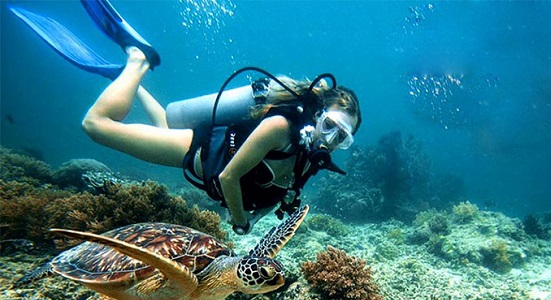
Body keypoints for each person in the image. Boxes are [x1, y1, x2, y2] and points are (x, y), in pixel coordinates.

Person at [10, 0, 361, 235]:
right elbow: (228, 176)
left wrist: (253, 215)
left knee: (164, 119)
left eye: (342, 138)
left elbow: (279, 193)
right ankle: (137, 61)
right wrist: (239, 222)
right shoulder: (280, 127)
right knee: (96, 126)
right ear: (318, 113)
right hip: (193, 151)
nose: (330, 140)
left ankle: (122, 79)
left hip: (200, 155)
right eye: (330, 126)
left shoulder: (310, 158)